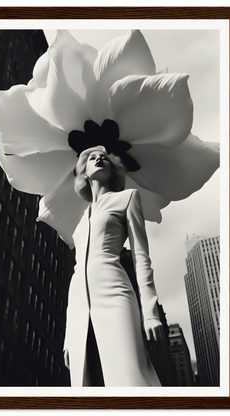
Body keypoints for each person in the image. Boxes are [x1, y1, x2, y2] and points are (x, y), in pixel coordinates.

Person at [62, 145, 164, 387]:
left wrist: (150, 312)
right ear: (84, 172)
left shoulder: (127, 198)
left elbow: (141, 256)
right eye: (92, 158)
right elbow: (77, 272)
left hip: (115, 294)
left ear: (112, 171)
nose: (99, 159)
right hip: (78, 306)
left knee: (131, 376)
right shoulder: (81, 219)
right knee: (87, 384)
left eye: (104, 159)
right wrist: (69, 334)